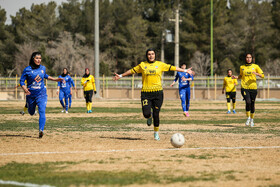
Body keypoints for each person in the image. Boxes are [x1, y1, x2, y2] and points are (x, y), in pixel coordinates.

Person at [113, 48, 194, 140]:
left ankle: (156, 133)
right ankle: (149, 116)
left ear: (155, 55)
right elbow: (132, 71)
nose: (151, 56)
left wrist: (185, 70)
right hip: (146, 93)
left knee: (156, 114)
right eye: (149, 54)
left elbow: (172, 67)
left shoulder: (160, 64)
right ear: (146, 56)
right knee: (146, 113)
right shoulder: (142, 65)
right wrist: (120, 76)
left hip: (158, 93)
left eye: (152, 54)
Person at [20, 52, 63, 138]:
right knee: (31, 112)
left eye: (40, 58)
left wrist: (55, 79)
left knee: (42, 111)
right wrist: (25, 89)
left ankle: (41, 130)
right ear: (33, 59)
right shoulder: (27, 70)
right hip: (30, 95)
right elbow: (21, 81)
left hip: (41, 94)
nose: (39, 60)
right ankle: (29, 107)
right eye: (37, 58)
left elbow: (45, 76)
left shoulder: (43, 68)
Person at [232, 53, 264, 127]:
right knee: (248, 101)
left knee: (252, 104)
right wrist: (236, 77)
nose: (249, 59)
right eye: (247, 57)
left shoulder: (256, 66)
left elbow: (263, 75)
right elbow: (241, 75)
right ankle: (248, 118)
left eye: (250, 57)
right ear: (245, 58)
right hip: (244, 87)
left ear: (252, 58)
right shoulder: (242, 67)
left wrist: (257, 74)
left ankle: (252, 119)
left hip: (253, 88)